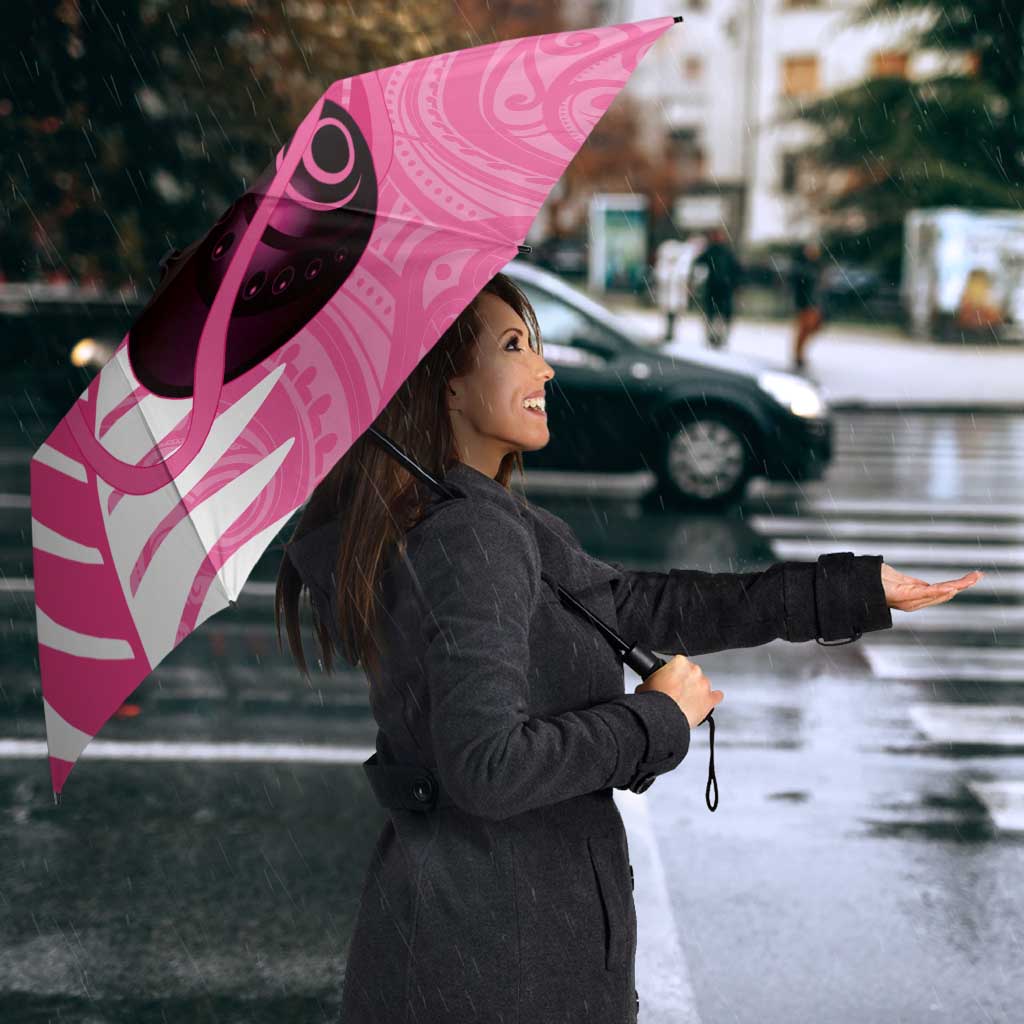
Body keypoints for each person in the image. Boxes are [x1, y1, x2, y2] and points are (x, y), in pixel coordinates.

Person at [275, 271, 980, 1024]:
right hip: (499, 962)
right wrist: (655, 719)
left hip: (481, 941)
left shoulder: (477, 518)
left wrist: (850, 591)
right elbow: (486, 767)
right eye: (514, 346)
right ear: (445, 386)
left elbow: (641, 605)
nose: (544, 368)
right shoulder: (470, 536)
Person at [692, 226, 742, 349]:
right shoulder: (712, 251)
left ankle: (719, 337)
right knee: (713, 314)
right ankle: (713, 337)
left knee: (720, 315)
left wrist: (735, 284)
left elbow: (736, 270)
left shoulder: (725, 252)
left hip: (723, 288)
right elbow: (698, 264)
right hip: (715, 288)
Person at [790, 239, 826, 370]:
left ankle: (799, 354)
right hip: (805, 303)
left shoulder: (817, 266)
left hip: (814, 303)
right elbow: (799, 286)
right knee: (804, 329)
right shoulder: (802, 267)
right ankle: (798, 355)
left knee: (812, 328)